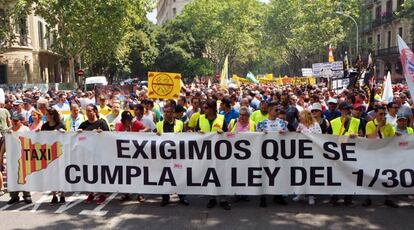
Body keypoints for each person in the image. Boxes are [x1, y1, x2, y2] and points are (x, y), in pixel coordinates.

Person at [195, 100, 231, 210]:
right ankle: (212, 198)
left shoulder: (221, 118)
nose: (204, 110)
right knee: (209, 175)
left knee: (220, 174)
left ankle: (223, 199)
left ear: (212, 109)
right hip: (205, 152)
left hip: (219, 152)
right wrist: (198, 132)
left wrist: (223, 133)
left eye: (206, 108)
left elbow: (227, 134)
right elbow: (194, 132)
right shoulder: (200, 118)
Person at [363, 106, 398, 208]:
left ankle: (388, 198)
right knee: (370, 176)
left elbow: (392, 139)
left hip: (385, 154)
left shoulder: (389, 126)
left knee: (386, 176)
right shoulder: (370, 124)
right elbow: (369, 137)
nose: (382, 116)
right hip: (372, 154)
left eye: (384, 114)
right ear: (375, 114)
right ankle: (367, 198)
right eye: (380, 114)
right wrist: (378, 127)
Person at [256, 102, 288, 208]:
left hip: (279, 154)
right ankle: (263, 197)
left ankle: (277, 195)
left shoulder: (282, 123)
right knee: (265, 174)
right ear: (270, 111)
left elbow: (289, 136)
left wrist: (285, 133)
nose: (278, 112)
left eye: (278, 110)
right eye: (276, 110)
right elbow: (255, 139)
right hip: (265, 154)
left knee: (278, 173)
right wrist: (260, 134)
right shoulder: (262, 123)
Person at [156, 104, 190, 207]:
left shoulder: (180, 123)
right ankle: (165, 198)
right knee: (165, 176)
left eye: (168, 112)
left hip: (177, 155)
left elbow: (185, 137)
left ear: (173, 113)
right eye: (165, 112)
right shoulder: (159, 124)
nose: (166, 114)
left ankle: (182, 197)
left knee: (179, 175)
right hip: (163, 155)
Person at [327, 102, 360, 206]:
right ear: (340, 110)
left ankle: (348, 197)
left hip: (351, 152)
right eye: (345, 109)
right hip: (337, 153)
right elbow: (328, 136)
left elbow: (363, 135)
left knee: (349, 175)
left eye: (349, 109)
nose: (348, 111)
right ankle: (334, 197)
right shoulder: (333, 122)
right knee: (336, 175)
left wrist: (357, 135)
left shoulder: (356, 121)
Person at [78, 104, 110, 205]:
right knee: (89, 174)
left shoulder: (102, 123)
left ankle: (102, 194)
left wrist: (102, 133)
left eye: (90, 111)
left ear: (95, 111)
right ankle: (91, 193)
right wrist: (79, 133)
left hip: (100, 153)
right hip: (87, 153)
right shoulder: (83, 125)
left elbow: (109, 137)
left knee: (100, 174)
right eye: (86, 111)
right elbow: (79, 139)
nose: (88, 113)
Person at [293, 110, 321, 205]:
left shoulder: (316, 125)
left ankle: (311, 195)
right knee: (301, 173)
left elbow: (319, 138)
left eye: (300, 116)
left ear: (306, 116)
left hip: (312, 153)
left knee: (311, 174)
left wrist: (305, 132)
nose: (299, 118)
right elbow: (296, 138)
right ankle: (301, 193)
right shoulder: (300, 125)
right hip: (301, 152)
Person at [4, 113, 32, 205]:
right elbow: (4, 144)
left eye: (16, 121)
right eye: (13, 120)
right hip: (12, 157)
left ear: (21, 121)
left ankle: (26, 195)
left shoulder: (26, 129)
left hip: (23, 156)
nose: (14, 122)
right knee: (13, 176)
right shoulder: (8, 130)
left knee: (24, 176)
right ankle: (14, 196)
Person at [40, 107, 66, 204]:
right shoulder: (45, 126)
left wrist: (63, 132)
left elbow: (67, 138)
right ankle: (54, 195)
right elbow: (41, 139)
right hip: (48, 153)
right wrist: (38, 134)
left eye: (46, 114)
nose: (45, 116)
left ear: (52, 115)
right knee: (51, 174)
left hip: (60, 153)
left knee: (61, 174)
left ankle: (62, 195)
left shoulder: (61, 125)